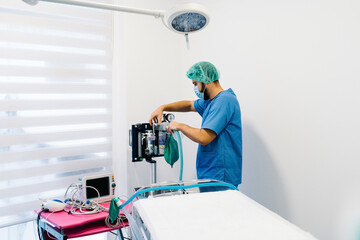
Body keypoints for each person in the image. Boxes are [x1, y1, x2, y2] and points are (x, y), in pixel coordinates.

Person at [149, 61, 242, 187]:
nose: (195, 88)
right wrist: (163, 107)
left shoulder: (224, 101)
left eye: (195, 83)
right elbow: (189, 105)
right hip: (210, 173)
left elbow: (204, 137)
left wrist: (180, 126)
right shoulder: (211, 102)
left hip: (221, 175)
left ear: (206, 79)